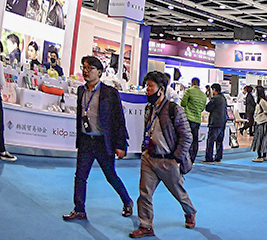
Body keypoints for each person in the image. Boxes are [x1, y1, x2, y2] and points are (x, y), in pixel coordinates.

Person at [63, 56, 134, 222]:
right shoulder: (81, 91)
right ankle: (79, 209)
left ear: (99, 72)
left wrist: (121, 145)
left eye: (90, 68)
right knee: (80, 176)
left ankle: (127, 201)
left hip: (103, 142)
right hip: (86, 140)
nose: (86, 71)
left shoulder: (110, 93)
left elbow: (118, 120)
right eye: (84, 68)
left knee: (111, 176)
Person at [130, 71, 197, 238]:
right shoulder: (149, 108)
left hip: (168, 160)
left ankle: (190, 211)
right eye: (146, 86)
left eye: (150, 86)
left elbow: (187, 136)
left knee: (178, 192)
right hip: (149, 158)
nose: (147, 89)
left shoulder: (174, 109)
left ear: (161, 89)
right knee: (144, 193)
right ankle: (146, 226)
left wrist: (177, 158)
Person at [180, 78, 206, 163]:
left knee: (186, 139)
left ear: (192, 83)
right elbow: (202, 108)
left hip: (188, 118)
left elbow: (183, 103)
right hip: (197, 119)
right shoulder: (203, 95)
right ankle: (192, 159)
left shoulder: (189, 91)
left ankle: (185, 158)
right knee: (195, 140)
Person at [201, 83, 227, 164]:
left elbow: (208, 108)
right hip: (222, 122)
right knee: (219, 141)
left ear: (214, 90)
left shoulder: (215, 98)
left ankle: (209, 158)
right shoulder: (223, 98)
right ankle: (218, 158)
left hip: (215, 122)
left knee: (210, 141)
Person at [251, 86, 267, 162]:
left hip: (261, 122)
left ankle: (259, 157)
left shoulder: (262, 101)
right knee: (263, 139)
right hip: (262, 122)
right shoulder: (261, 101)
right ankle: (264, 156)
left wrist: (262, 115)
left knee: (259, 139)